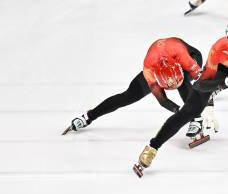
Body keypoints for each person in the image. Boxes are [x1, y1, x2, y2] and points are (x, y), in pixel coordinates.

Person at [132, 20, 228, 177]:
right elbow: (200, 86)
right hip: (220, 73)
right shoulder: (218, 49)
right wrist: (225, 82)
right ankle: (152, 147)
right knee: (189, 111)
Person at [63, 38, 203, 134]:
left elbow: (204, 81)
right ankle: (88, 117)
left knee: (184, 84)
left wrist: (201, 108)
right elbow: (163, 101)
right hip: (158, 62)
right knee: (129, 95)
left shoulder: (184, 57)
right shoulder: (149, 72)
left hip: (185, 55)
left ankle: (197, 118)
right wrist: (180, 114)